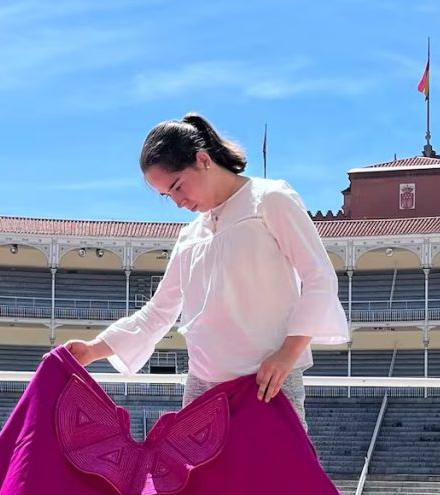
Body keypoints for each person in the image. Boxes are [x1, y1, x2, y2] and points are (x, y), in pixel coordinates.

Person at [64, 113, 349, 430]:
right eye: (166, 195)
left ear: (202, 159)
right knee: (198, 481)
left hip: (267, 381)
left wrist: (287, 355)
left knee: (278, 479)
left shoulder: (271, 200)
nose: (177, 202)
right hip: (201, 389)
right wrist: (94, 349)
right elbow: (159, 312)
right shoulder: (189, 237)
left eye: (177, 186)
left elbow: (319, 278)